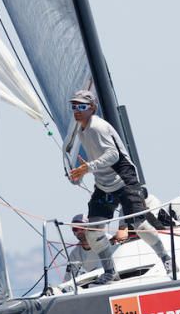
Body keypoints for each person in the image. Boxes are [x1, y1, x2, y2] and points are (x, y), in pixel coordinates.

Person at [66, 90, 172, 284]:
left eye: (81, 107)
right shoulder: (81, 130)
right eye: (74, 107)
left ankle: (167, 260)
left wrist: (88, 167)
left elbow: (113, 155)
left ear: (92, 108)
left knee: (138, 225)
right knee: (93, 231)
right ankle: (109, 273)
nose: (77, 111)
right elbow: (97, 157)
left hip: (124, 180)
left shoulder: (97, 126)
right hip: (104, 185)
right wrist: (81, 172)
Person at [63, 214, 104, 282]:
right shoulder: (74, 254)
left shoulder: (105, 240)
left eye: (82, 227)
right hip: (94, 283)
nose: (79, 231)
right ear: (73, 232)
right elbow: (68, 278)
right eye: (75, 229)